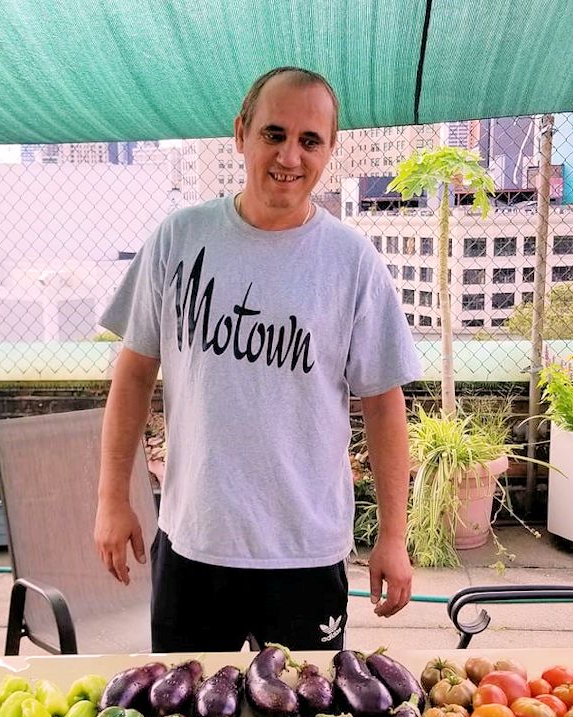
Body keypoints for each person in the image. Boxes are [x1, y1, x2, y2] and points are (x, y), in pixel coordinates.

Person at [94, 66, 420, 652]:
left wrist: (393, 535)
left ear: (329, 150)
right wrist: (112, 498)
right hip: (195, 541)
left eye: (309, 140)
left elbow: (383, 403)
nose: (290, 156)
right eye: (274, 134)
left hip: (306, 550)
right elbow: (134, 373)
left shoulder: (351, 261)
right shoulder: (179, 238)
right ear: (241, 132)